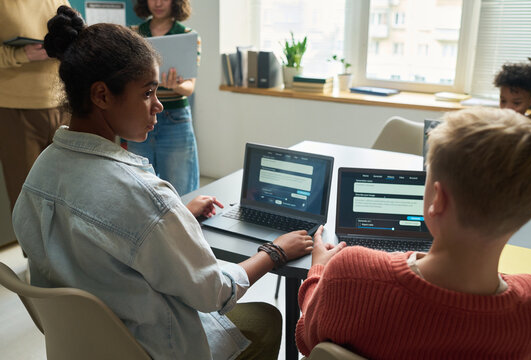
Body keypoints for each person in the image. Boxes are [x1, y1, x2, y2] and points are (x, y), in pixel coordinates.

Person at [12, 6, 314, 360]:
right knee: (264, 319)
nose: (158, 106)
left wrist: (173, 218)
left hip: (83, 346)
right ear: (101, 95)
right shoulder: (143, 193)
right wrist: (274, 252)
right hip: (146, 349)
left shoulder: (41, 170)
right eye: (146, 93)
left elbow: (93, 235)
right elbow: (215, 293)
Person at [295, 107, 531, 358]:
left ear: (439, 199)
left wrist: (318, 272)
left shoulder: (351, 273)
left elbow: (308, 340)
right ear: (527, 213)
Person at [0, 0, 71, 245]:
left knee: (69, 191)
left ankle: (71, 261)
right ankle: (37, 268)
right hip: (14, 108)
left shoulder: (57, 0)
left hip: (62, 104)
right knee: (27, 196)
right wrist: (21, 54)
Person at [126, 0, 200, 196]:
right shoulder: (133, 33)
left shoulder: (187, 36)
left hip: (176, 119)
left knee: (181, 191)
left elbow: (189, 88)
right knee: (137, 189)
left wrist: (175, 85)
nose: (158, 3)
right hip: (138, 117)